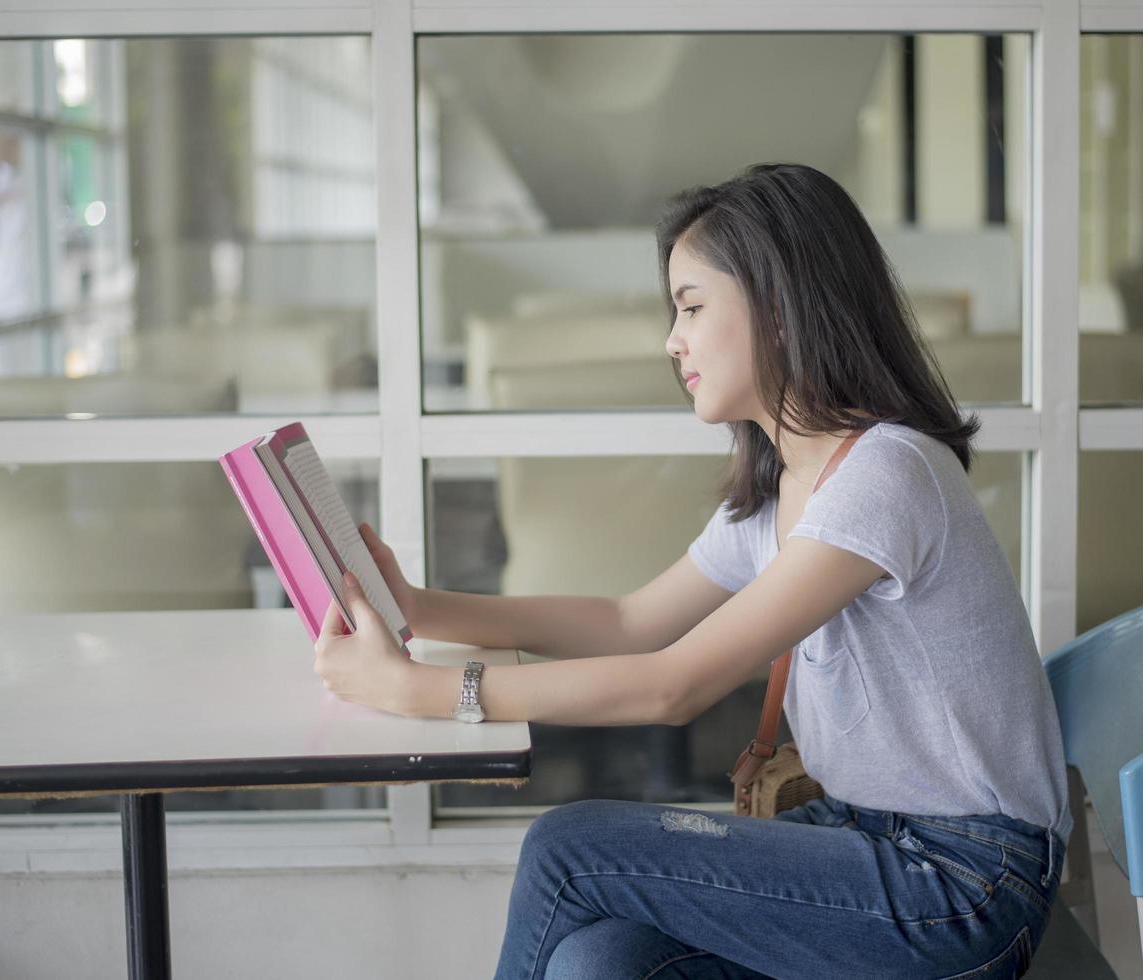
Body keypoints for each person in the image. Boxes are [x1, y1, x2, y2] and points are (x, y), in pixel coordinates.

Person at [314, 162, 1071, 979]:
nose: (672, 341)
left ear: (780, 308)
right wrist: (418, 607)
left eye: (691, 307)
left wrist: (423, 693)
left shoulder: (888, 474)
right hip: (859, 843)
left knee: (565, 847)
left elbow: (674, 686)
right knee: (600, 962)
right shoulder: (784, 489)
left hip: (961, 885)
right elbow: (627, 620)